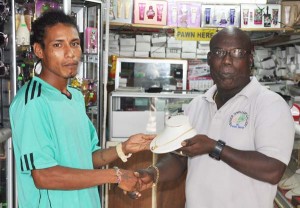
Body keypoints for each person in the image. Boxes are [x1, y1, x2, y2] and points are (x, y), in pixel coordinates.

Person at [133, 27, 295, 208]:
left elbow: (273, 170)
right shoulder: (197, 105)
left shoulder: (270, 105)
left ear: (250, 59)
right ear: (209, 59)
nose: (227, 60)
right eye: (219, 52)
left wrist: (215, 147)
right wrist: (153, 173)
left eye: (237, 52)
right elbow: (180, 157)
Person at [9, 10, 155, 208]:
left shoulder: (75, 97)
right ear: (39, 51)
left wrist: (123, 148)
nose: (70, 53)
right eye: (58, 45)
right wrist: (116, 175)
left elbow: (87, 158)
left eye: (75, 43)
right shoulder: (33, 102)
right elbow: (44, 176)